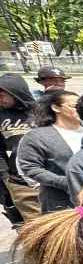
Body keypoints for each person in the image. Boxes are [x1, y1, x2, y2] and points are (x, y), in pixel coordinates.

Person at [17, 89, 83, 212]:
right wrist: (67, 183)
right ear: (56, 108)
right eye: (75, 106)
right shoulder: (37, 136)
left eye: (82, 106)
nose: (80, 109)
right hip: (60, 203)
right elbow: (30, 168)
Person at [0, 73, 40, 222]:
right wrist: (6, 177)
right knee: (36, 227)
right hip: (19, 182)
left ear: (14, 92)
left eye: (2, 95)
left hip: (48, 176)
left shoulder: (41, 111)